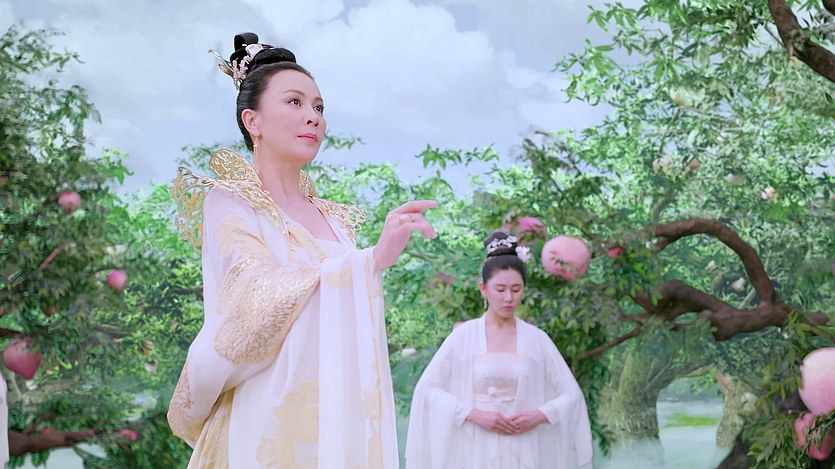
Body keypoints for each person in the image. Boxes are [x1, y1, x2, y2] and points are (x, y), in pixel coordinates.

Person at [167, 32, 435, 468]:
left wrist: (365, 263)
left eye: (319, 107)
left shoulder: (336, 220)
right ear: (253, 121)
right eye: (294, 102)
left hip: (336, 414)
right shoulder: (231, 202)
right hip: (264, 417)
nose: (313, 117)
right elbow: (248, 298)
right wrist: (369, 261)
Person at [405, 231, 594, 469]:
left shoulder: (536, 339)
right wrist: (473, 414)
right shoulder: (464, 337)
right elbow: (427, 390)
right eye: (500, 289)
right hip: (475, 448)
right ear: (484, 289)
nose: (508, 298)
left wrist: (539, 415)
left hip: (524, 447)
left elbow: (572, 395)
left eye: (516, 289)